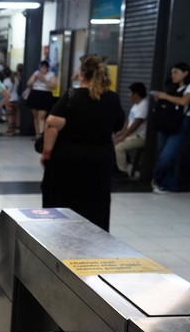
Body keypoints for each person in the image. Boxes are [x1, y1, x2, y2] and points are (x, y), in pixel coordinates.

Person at [40, 55, 125, 232]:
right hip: (100, 159)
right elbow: (119, 126)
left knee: (64, 203)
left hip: (68, 158)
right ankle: (94, 241)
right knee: (96, 204)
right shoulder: (113, 98)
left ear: (82, 75)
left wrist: (47, 153)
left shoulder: (72, 96)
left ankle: (60, 241)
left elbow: (52, 125)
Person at [151, 62, 190, 194]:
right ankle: (169, 185)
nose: (173, 75)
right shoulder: (173, 87)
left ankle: (157, 177)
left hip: (181, 122)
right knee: (165, 154)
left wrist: (165, 96)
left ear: (185, 73)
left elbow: (184, 101)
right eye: (172, 72)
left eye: (176, 72)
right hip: (166, 121)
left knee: (167, 155)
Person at [113, 82, 149, 176]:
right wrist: (122, 132)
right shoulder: (136, 105)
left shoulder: (144, 105)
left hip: (140, 137)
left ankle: (123, 171)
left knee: (119, 147)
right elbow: (128, 121)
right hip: (132, 135)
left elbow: (136, 124)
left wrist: (123, 137)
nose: (128, 95)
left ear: (136, 94)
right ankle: (120, 165)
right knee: (113, 141)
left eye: (130, 93)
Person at [26, 60, 58, 137]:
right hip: (35, 93)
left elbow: (54, 86)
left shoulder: (51, 75)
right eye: (41, 67)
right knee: (35, 115)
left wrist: (45, 80)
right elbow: (28, 84)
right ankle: (37, 133)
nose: (43, 69)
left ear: (47, 68)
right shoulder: (36, 73)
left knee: (42, 116)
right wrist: (34, 79)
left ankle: (41, 133)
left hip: (45, 94)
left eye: (44, 68)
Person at [3, 66, 20, 135]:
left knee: (9, 116)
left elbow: (5, 90)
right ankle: (14, 129)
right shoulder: (15, 79)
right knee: (14, 115)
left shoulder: (5, 81)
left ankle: (10, 130)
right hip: (15, 99)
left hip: (9, 100)